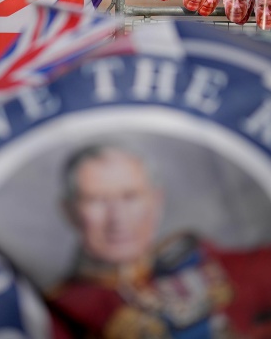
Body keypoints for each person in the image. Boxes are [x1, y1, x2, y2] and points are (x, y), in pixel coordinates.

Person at [48, 144, 271, 339]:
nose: (118, 218)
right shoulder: (55, 311)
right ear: (69, 211)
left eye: (130, 196)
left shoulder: (210, 262)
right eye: (97, 200)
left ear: (156, 200)